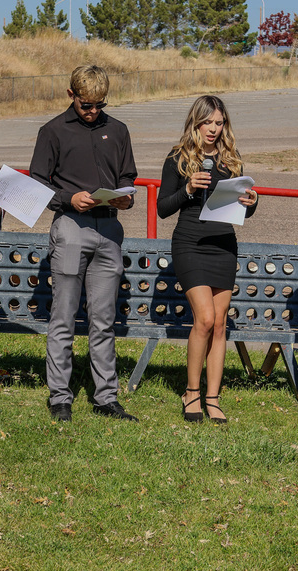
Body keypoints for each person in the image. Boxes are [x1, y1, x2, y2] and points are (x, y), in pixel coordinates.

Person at [29, 65, 138, 422]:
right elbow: (36, 184)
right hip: (71, 226)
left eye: (99, 104)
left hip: (109, 230)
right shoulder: (52, 131)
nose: (92, 111)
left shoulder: (118, 130)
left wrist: (125, 199)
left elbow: (127, 178)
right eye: (86, 104)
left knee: (103, 320)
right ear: (71, 95)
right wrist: (67, 198)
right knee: (63, 317)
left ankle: (106, 397)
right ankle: (60, 396)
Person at [156, 96, 258, 424]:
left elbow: (241, 207)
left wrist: (251, 201)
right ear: (195, 122)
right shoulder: (177, 157)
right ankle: (192, 392)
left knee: (219, 322)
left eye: (219, 123)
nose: (214, 129)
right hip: (190, 244)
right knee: (203, 318)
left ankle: (213, 398)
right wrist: (187, 189)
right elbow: (162, 208)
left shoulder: (230, 158)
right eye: (208, 123)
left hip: (223, 244)